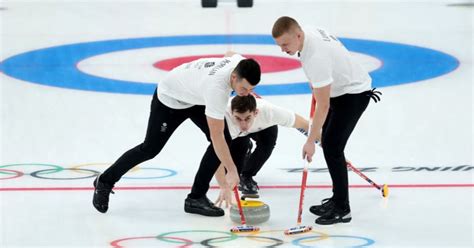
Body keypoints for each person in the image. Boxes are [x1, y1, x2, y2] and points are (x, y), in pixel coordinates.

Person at [92, 52, 261, 217]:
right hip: (170, 99)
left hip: (194, 97)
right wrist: (231, 170)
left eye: (251, 89)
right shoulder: (216, 89)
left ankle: (196, 198)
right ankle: (105, 181)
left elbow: (230, 53)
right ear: (233, 77)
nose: (247, 94)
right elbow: (217, 136)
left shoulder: (239, 64)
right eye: (244, 88)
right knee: (150, 149)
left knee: (224, 137)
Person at [271, 16, 381, 225]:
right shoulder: (308, 32)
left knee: (332, 146)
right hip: (340, 90)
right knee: (331, 144)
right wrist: (318, 84)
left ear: (298, 35)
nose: (283, 50)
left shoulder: (315, 58)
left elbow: (322, 107)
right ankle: (336, 199)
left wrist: (310, 141)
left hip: (352, 95)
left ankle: (342, 208)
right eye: (279, 45)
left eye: (285, 44)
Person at [213, 94, 309, 207]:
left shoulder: (270, 112)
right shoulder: (223, 118)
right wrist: (223, 185)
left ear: (256, 112)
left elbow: (306, 125)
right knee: (231, 169)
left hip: (262, 127)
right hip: (236, 133)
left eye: (247, 118)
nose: (244, 125)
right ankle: (245, 147)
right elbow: (216, 153)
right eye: (239, 118)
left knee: (267, 143)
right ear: (231, 113)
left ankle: (247, 176)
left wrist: (325, 143)